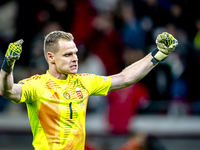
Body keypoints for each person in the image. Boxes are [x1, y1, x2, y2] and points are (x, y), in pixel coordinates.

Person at [0, 31, 178, 150]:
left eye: (75, 53)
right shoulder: (36, 84)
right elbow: (8, 91)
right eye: (68, 54)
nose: (75, 59)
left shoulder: (84, 82)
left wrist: (158, 54)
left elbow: (125, 78)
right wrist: (7, 66)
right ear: (51, 57)